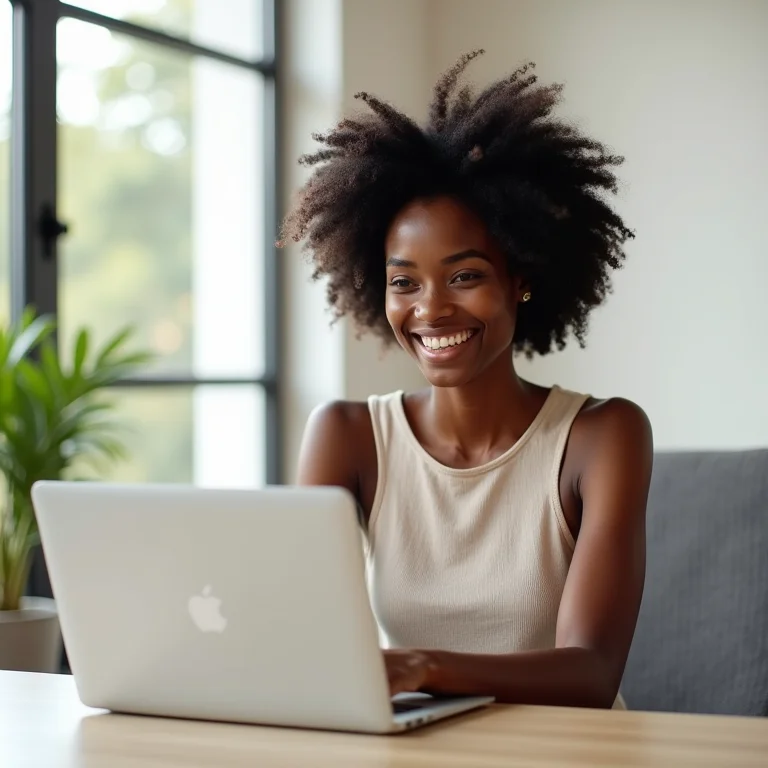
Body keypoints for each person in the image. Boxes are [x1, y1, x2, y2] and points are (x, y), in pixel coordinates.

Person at [281, 50, 653, 709]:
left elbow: (591, 675)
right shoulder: (346, 436)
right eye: (405, 282)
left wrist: (420, 668)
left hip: (569, 751)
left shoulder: (603, 435)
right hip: (417, 746)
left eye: (465, 276)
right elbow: (301, 634)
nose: (430, 309)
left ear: (523, 278)